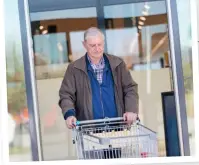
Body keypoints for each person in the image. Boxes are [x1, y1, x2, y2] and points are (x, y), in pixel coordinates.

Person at [58, 27, 139, 129]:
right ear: (84, 45)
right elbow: (66, 94)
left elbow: (130, 88)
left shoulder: (118, 64)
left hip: (118, 128)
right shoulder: (74, 69)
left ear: (103, 43)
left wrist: (131, 109)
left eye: (99, 44)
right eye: (92, 45)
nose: (97, 49)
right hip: (89, 132)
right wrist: (69, 114)